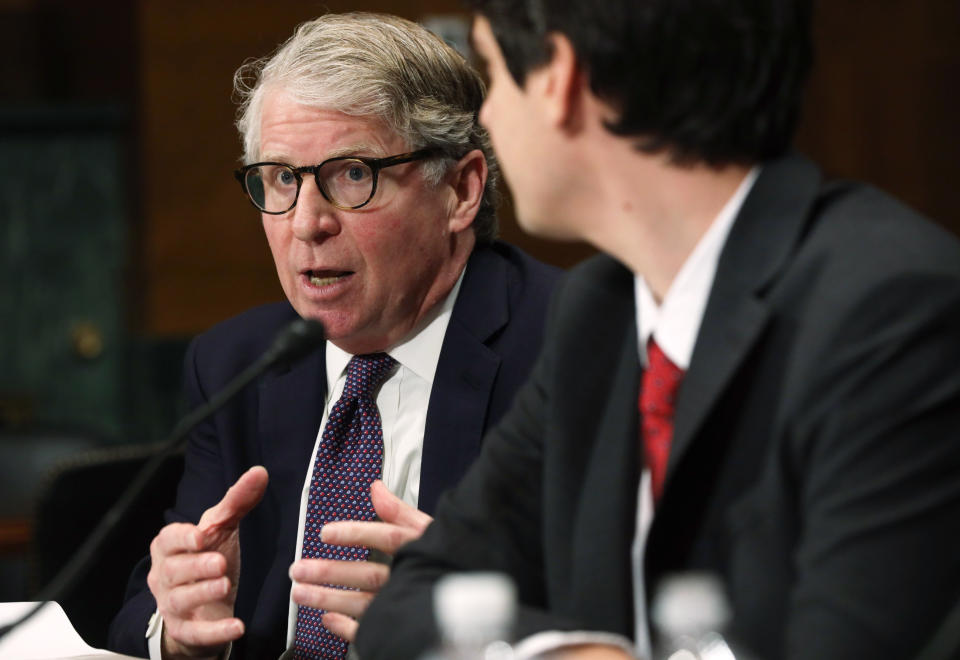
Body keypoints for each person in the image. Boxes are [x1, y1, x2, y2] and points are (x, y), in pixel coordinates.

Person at [356, 1, 960, 659]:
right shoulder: (599, 310)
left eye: (494, 75)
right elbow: (413, 601)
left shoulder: (891, 307)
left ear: (558, 76)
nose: (489, 117)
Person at [107, 12, 561, 660]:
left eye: (352, 175)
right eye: (283, 179)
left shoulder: (569, 347)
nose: (306, 223)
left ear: (461, 189)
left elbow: (642, 611)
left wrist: (467, 629)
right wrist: (182, 627)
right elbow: (142, 612)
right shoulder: (238, 364)